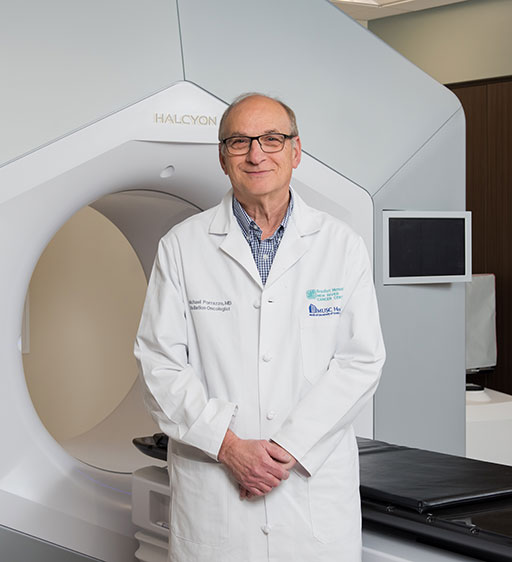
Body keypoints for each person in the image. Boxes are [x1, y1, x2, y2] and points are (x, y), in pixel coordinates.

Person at [134, 93, 385, 562]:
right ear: (222, 158)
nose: (256, 154)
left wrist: (286, 449)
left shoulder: (340, 245)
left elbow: (360, 362)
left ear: (296, 150)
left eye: (272, 139)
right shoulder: (183, 247)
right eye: (239, 142)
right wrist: (229, 448)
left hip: (310, 488)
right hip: (215, 487)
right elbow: (160, 364)